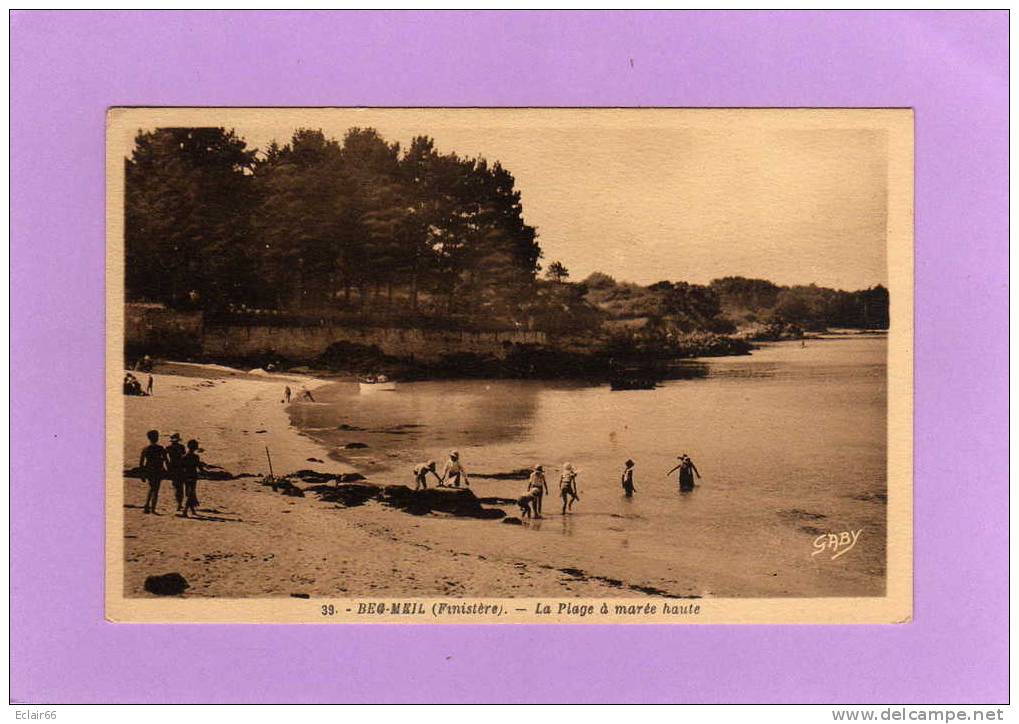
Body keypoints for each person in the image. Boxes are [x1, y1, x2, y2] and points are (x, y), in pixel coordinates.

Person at [139, 429, 167, 514]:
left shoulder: (145, 449)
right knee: (155, 489)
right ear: (157, 438)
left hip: (149, 470)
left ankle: (147, 506)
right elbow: (166, 460)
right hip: (158, 470)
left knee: (151, 487)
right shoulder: (160, 448)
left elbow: (141, 463)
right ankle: (152, 508)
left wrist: (142, 474)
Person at [180, 439, 207, 518]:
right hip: (193, 475)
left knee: (189, 492)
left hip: (186, 476)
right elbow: (199, 467)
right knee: (191, 493)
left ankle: (192, 510)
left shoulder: (184, 456)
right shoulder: (196, 457)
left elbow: (181, 467)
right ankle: (185, 511)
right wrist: (204, 472)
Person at [165, 432, 186, 511]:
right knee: (180, 487)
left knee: (175, 486)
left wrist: (167, 467)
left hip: (172, 467)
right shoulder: (182, 447)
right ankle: (179, 503)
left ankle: (178, 502)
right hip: (180, 467)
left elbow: (166, 458)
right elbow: (183, 456)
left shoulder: (168, 448)